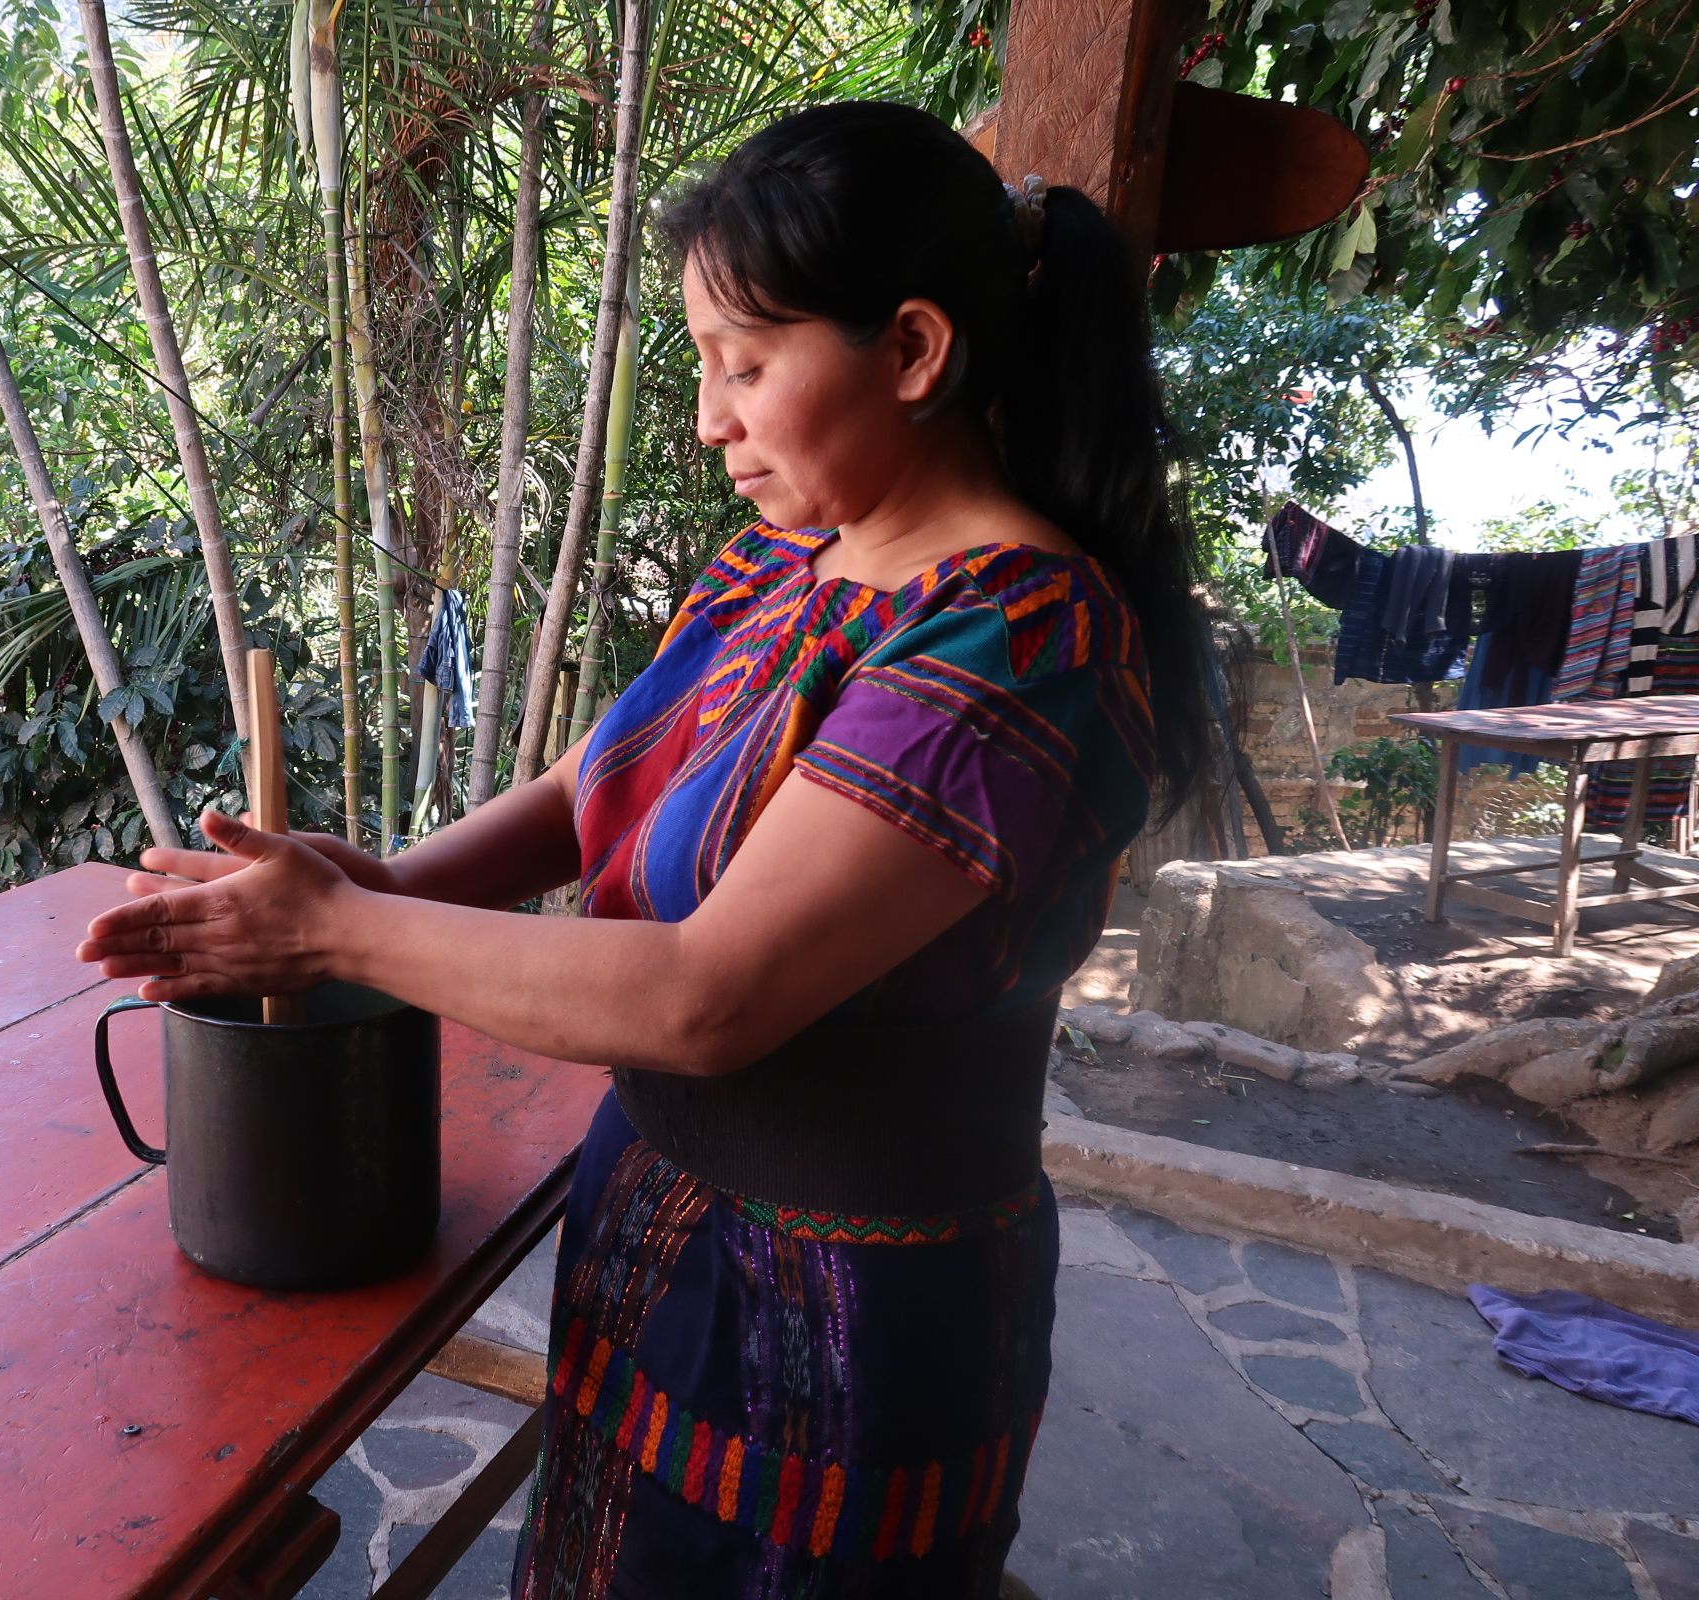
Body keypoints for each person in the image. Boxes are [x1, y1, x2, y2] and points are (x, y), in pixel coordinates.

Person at [78, 100, 1210, 1599]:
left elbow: (705, 998)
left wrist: (340, 939)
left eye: (747, 366)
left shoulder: (1017, 638)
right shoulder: (782, 562)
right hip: (658, 1227)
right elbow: (587, 786)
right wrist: (389, 883)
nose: (708, 419)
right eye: (701, 366)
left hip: (851, 1305)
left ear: (917, 351)